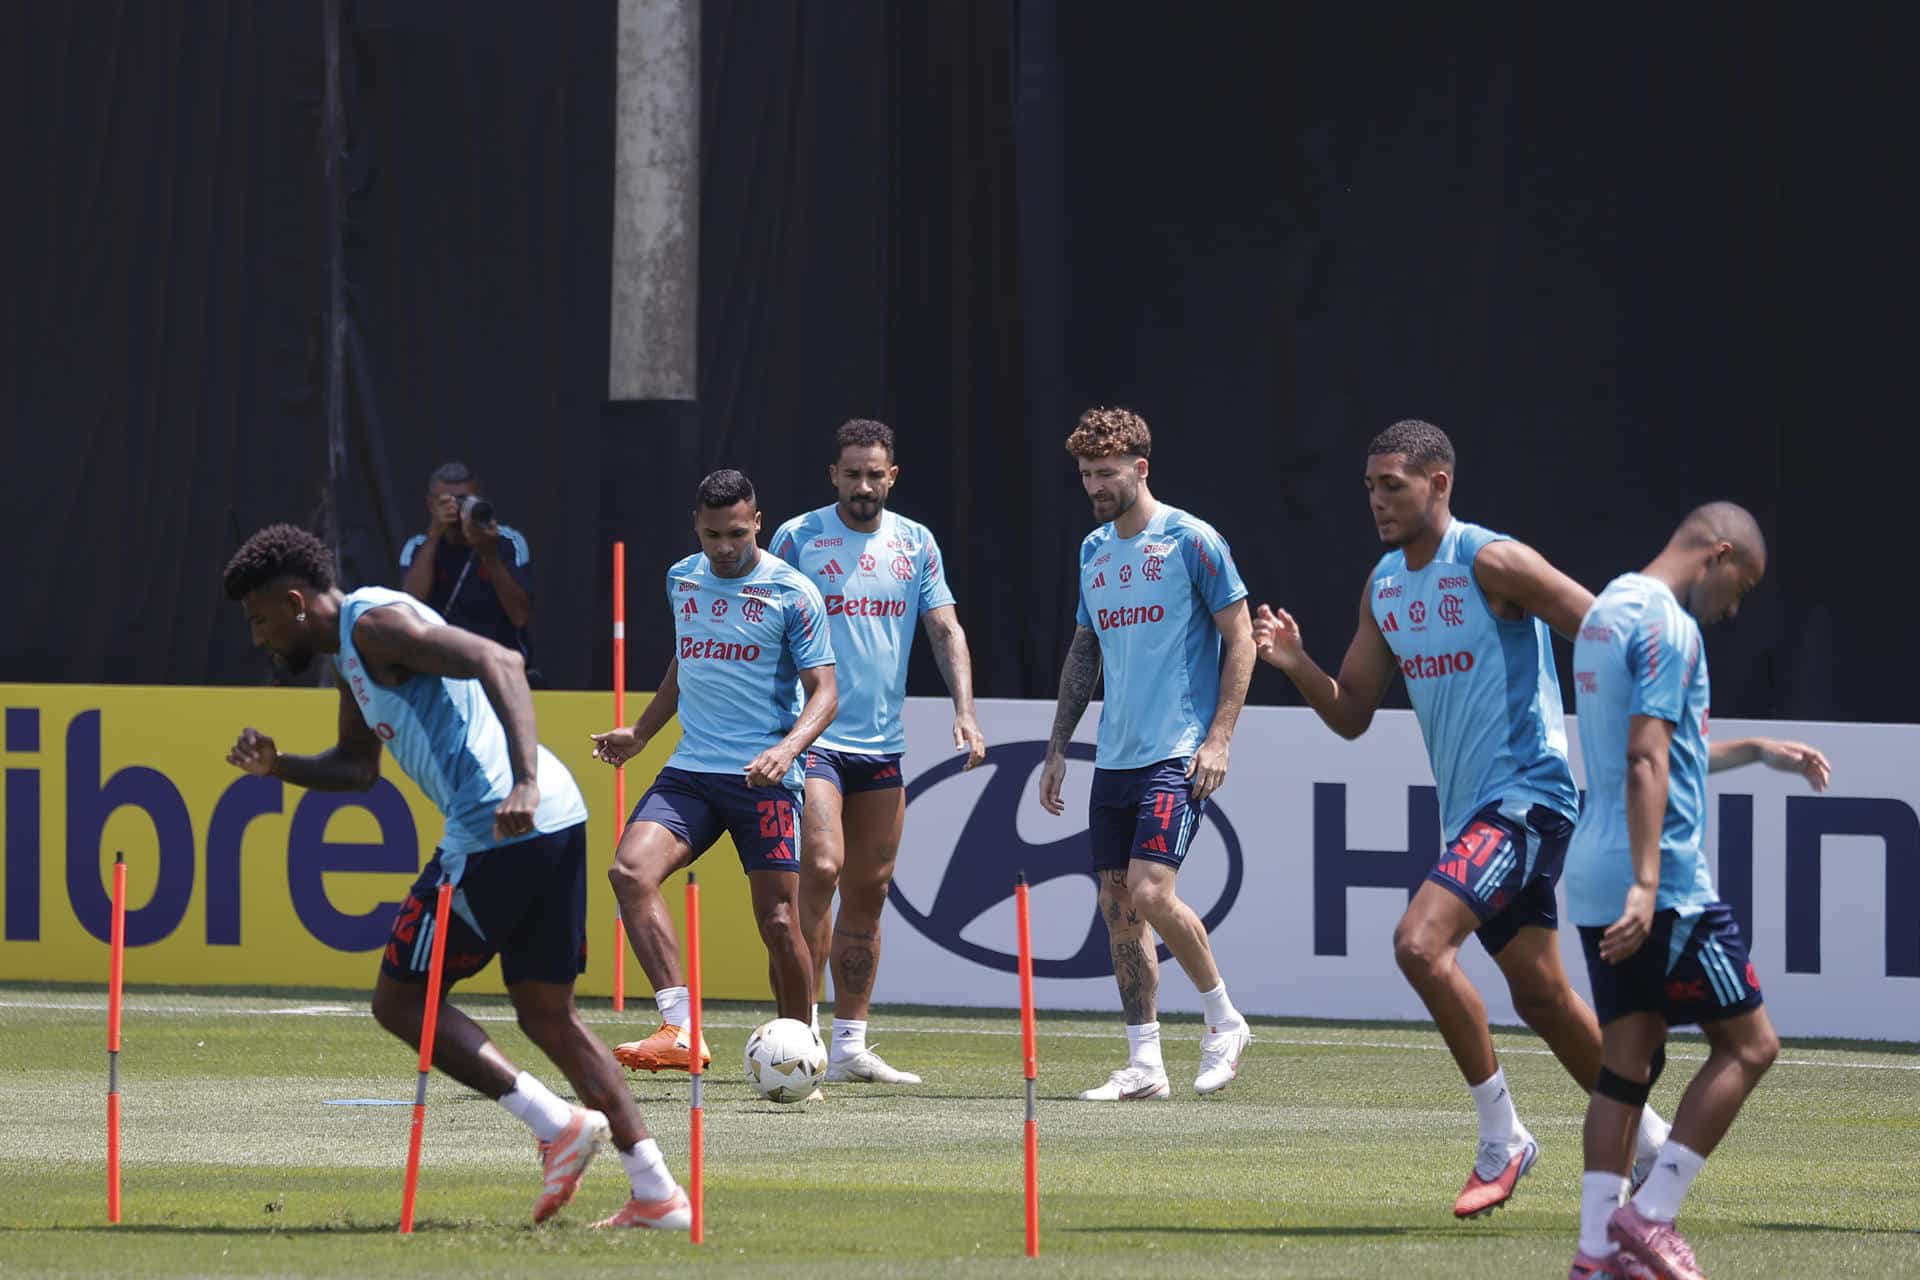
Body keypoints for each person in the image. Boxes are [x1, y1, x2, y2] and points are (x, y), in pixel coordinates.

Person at [1250, 419, 1670, 1218]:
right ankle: (1650, 1142)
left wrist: (1648, 736)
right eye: (1370, 484)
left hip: (1528, 801)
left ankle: (1502, 1136)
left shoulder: (1492, 561)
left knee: (1419, 943)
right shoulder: (1386, 586)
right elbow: (1352, 714)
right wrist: (1296, 663)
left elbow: (1610, 635)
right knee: (1543, 997)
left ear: (1438, 483)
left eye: (1393, 484)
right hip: (1474, 815)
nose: (1377, 499)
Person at [219, 523, 687, 1231]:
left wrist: (523, 781)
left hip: (502, 826)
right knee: (546, 1014)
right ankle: (658, 1195)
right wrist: (277, 766)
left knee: (399, 1002)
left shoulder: (376, 624)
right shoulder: (356, 650)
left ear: (292, 601)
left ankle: (556, 1124)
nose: (258, 639)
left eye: (259, 621)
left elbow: (499, 659)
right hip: (554, 821)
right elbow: (356, 768)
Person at [1564, 503, 1829, 1280]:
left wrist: (1756, 751)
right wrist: (1649, 886)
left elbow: (1656, 748)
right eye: (1740, 586)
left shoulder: (1608, 609)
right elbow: (1648, 761)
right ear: (1717, 555)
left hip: (1592, 868)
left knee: (1627, 1063)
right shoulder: (1672, 628)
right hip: (1665, 880)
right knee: (1751, 1045)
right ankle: (1650, 1216)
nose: (1736, 607)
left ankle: (1593, 1252)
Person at [1036, 407, 1257, 1100]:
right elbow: (1085, 650)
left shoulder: (1192, 541)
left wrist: (1219, 738)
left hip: (1177, 750)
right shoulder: (1094, 550)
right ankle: (1145, 1064)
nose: (1096, 485)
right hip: (1117, 757)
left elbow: (1242, 640)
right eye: (1085, 475)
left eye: (1107, 472)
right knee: (1118, 909)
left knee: (1150, 891)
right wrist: (1058, 746)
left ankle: (1224, 1019)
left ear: (1141, 468)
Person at [593, 469, 838, 1074]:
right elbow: (686, 661)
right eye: (712, 535)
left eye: (735, 533)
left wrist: (787, 750)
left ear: (757, 522)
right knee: (629, 872)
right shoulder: (682, 578)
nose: (724, 548)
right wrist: (643, 732)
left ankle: (802, 1051)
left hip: (764, 777)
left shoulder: (791, 592)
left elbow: (826, 694)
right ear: (695, 528)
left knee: (780, 922)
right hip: (692, 770)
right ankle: (679, 1027)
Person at [769, 419, 987, 1087]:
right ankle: (796, 1033)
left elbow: (944, 628)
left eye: (876, 474)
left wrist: (965, 712)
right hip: (814, 738)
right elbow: (760, 615)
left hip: (882, 746)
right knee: (824, 867)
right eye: (852, 472)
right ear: (832, 474)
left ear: (893, 476)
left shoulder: (916, 542)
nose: (864, 485)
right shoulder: (796, 537)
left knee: (870, 889)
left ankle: (849, 1045)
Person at [400, 461, 537, 675]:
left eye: (465, 500)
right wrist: (434, 535)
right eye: (447, 502)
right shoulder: (417, 547)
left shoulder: (507, 542)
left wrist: (489, 554)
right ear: (430, 505)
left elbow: (520, 616)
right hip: (439, 669)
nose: (457, 508)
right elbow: (408, 609)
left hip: (500, 668)